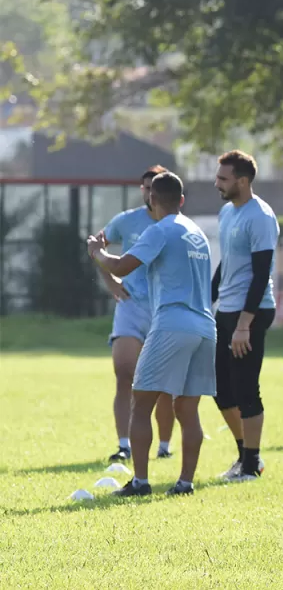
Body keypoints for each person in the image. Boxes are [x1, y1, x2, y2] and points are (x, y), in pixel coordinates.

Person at [87, 172, 216, 497]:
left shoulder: (159, 230)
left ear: (152, 200)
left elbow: (120, 267)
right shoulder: (196, 233)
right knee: (187, 409)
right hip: (205, 326)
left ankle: (141, 482)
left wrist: (96, 253)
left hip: (172, 323)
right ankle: (185, 483)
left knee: (141, 402)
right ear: (182, 200)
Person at [97, 165, 177, 462]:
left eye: (153, 188)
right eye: (145, 187)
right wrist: (110, 282)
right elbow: (97, 244)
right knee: (124, 372)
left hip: (162, 308)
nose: (148, 193)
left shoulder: (173, 225)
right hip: (130, 304)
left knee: (163, 383)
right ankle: (124, 444)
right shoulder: (127, 220)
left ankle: (165, 445)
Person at [211, 150, 281, 482]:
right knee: (220, 390)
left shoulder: (261, 216)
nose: (217, 183)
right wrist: (206, 300)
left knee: (245, 388)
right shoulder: (227, 212)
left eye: (223, 178)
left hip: (251, 313)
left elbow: (261, 271)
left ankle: (251, 465)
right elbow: (228, 263)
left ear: (242, 180)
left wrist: (244, 324)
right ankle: (244, 455)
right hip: (226, 310)